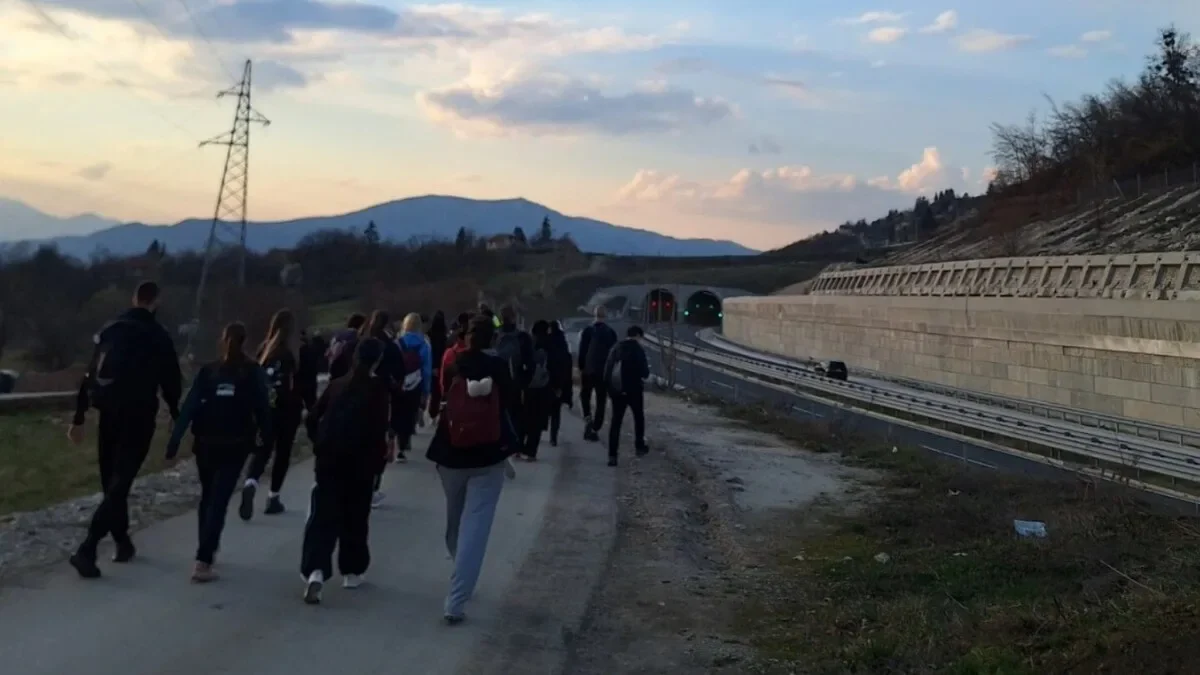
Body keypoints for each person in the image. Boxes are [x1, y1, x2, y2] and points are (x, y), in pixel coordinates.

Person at [67, 281, 182, 579]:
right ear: (156, 302)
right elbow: (171, 379)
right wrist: (176, 414)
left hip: (108, 412)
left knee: (111, 482)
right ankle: (88, 548)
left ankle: (122, 542)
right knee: (121, 482)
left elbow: (90, 374)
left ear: (134, 298)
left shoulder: (111, 329)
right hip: (139, 414)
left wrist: (79, 417)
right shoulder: (158, 335)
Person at [426, 316, 519, 624]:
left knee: (455, 519)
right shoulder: (499, 366)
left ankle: (460, 567)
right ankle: (456, 599)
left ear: (464, 337)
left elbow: (442, 396)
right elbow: (511, 402)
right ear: (492, 339)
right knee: (476, 526)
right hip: (489, 455)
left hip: (450, 453)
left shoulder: (453, 364)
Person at [165, 323, 271, 582]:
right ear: (245, 341)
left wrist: (174, 440)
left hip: (205, 442)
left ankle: (206, 547)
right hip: (236, 443)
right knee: (220, 500)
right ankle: (204, 558)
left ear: (222, 341)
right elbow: (263, 408)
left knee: (208, 497)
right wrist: (266, 439)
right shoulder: (252, 372)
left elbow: (189, 407)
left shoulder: (208, 371)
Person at [300, 339, 392, 604]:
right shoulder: (378, 390)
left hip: (329, 459)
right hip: (361, 462)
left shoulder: (337, 384)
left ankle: (316, 571)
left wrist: (318, 443)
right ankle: (352, 571)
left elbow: (311, 417)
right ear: (377, 360)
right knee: (356, 517)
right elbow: (379, 430)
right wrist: (378, 465)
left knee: (323, 516)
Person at [240, 309, 318, 520]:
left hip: (266, 408)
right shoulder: (300, 351)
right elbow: (308, 385)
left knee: (263, 449)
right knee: (283, 452)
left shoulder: (265, 350)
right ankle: (273, 497)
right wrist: (312, 408)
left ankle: (251, 482)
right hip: (289, 409)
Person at [361, 311, 404, 504]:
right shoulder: (390, 345)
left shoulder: (363, 340)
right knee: (380, 443)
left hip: (360, 393)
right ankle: (373, 487)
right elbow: (400, 371)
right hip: (384, 396)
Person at [603, 325, 651, 467]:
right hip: (634, 390)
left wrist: (610, 390)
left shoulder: (616, 348)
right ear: (638, 336)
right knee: (638, 417)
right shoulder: (638, 350)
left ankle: (612, 455)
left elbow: (607, 370)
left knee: (616, 422)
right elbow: (645, 373)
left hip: (617, 391)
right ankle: (639, 446)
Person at [518, 320, 560, 461]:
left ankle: (519, 447)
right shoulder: (552, 345)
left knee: (524, 417)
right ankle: (531, 452)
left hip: (528, 386)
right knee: (537, 421)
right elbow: (557, 366)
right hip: (544, 387)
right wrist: (557, 386)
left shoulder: (528, 343)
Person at [577, 305, 618, 443]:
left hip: (588, 370)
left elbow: (582, 351)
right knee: (601, 400)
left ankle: (587, 417)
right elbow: (613, 354)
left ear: (594, 315)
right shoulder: (611, 333)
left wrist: (581, 367)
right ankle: (595, 427)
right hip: (603, 372)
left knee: (585, 395)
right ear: (605, 316)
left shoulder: (588, 331)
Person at [494, 305, 535, 442]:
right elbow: (531, 363)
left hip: (496, 384)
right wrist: (525, 383)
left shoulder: (494, 336)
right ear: (514, 318)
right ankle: (516, 442)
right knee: (516, 416)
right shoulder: (522, 337)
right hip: (515, 383)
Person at [396, 312, 433, 453]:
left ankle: (400, 441)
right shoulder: (424, 343)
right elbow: (426, 369)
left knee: (400, 411)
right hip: (416, 381)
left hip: (400, 381)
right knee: (411, 411)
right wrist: (426, 390)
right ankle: (407, 437)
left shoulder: (398, 342)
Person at [547, 320, 574, 447]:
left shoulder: (546, 344)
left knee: (542, 410)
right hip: (559, 383)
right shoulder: (563, 345)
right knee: (556, 412)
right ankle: (553, 437)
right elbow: (568, 368)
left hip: (546, 382)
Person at [326, 313, 366, 380]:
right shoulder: (355, 336)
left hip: (333, 368)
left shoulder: (337, 335)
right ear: (361, 325)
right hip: (347, 372)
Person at [427, 311, 449, 417]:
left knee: (431, 390)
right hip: (441, 366)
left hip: (430, 365)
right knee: (438, 391)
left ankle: (431, 411)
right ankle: (436, 411)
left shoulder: (428, 336)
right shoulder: (445, 337)